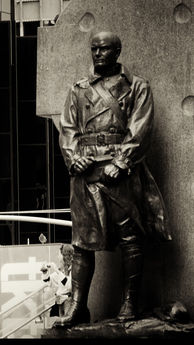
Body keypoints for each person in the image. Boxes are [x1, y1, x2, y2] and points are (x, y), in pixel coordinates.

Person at [55, 31, 171, 327]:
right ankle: (78, 306)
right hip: (85, 171)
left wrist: (122, 161)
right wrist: (72, 156)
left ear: (117, 51)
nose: (97, 54)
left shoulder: (137, 86)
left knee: (130, 237)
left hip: (119, 172)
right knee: (82, 242)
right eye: (93, 49)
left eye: (104, 49)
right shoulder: (78, 88)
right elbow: (67, 128)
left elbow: (141, 127)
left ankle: (130, 302)